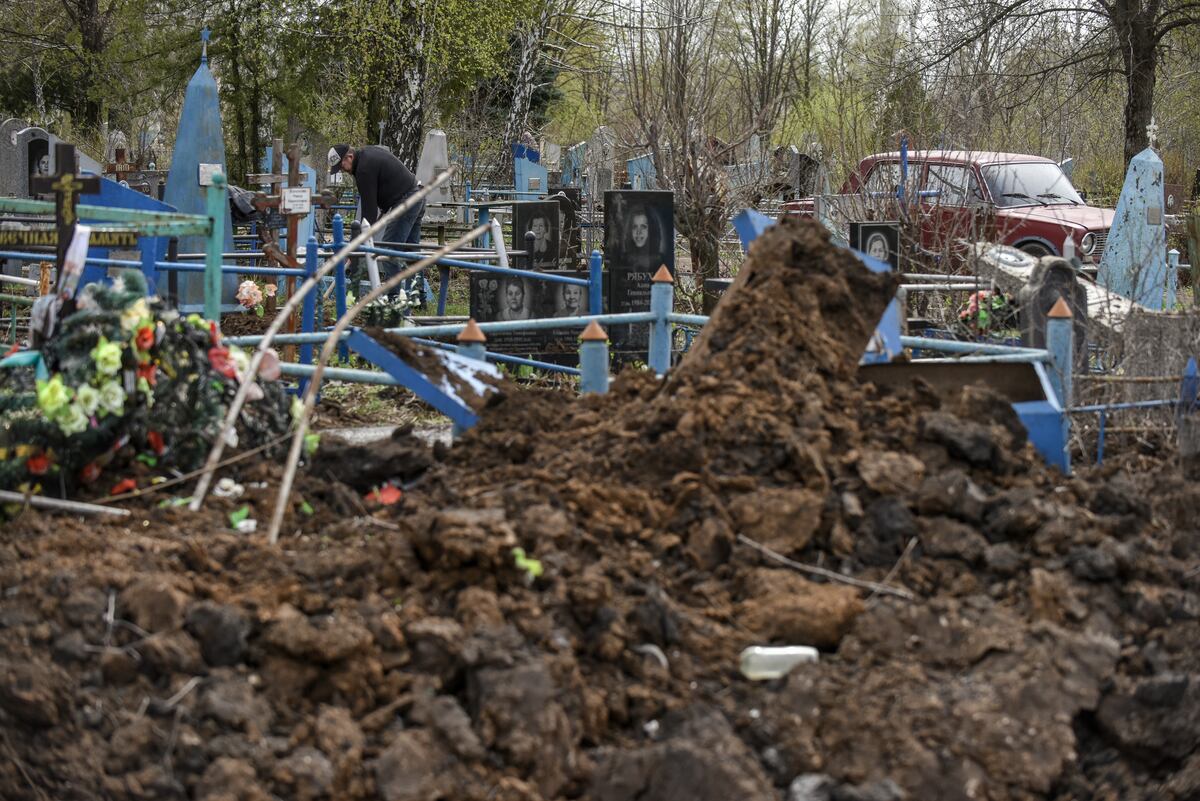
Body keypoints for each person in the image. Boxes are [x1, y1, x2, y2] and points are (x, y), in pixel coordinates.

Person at [329, 143, 424, 298]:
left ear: (349, 157)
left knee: (389, 251)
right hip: (417, 194)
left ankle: (394, 299)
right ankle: (418, 297)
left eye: (341, 166)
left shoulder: (363, 170)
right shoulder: (367, 155)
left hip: (407, 201)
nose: (343, 170)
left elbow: (369, 213)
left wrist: (357, 245)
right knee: (412, 253)